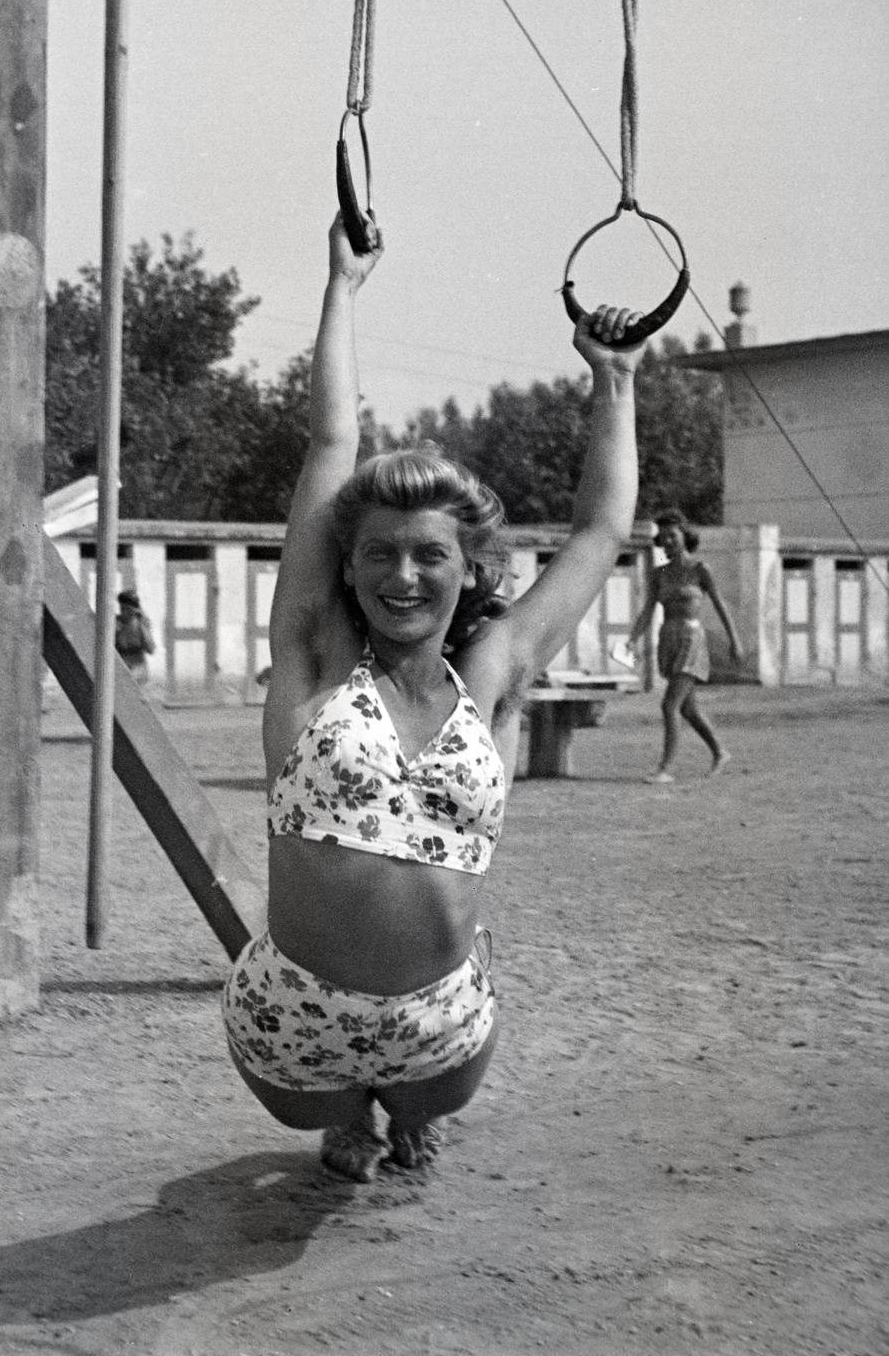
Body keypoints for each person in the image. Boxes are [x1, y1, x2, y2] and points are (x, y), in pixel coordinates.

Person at [221, 213, 647, 1182]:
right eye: (378, 551)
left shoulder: (491, 676)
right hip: (295, 1020)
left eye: (428, 554)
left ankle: (404, 1111)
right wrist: (342, 285)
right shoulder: (316, 657)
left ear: (467, 568)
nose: (401, 575)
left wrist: (612, 379)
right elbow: (331, 438)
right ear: (349, 561)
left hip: (436, 1026)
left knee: (425, 1102)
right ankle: (341, 1120)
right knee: (320, 1113)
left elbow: (598, 529)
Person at [625, 509, 742, 782]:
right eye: (663, 537)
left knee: (669, 706)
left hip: (692, 641)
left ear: (684, 536)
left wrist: (734, 641)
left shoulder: (700, 569)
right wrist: (632, 639)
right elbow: (648, 610)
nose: (668, 541)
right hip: (668, 639)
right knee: (688, 709)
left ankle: (665, 768)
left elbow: (720, 605)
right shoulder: (658, 574)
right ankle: (720, 751)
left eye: (673, 535)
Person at [115, 588, 155, 684]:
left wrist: (141, 624)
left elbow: (151, 649)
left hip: (138, 669)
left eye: (128, 609)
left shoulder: (142, 623)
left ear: (134, 610)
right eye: (122, 609)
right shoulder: (116, 622)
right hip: (120, 669)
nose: (124, 613)